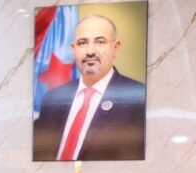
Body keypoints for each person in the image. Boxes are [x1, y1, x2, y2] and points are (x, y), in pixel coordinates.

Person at [33, 15, 146, 161]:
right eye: (82, 43)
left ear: (115, 48)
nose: (90, 51)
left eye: (100, 42)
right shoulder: (53, 98)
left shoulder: (138, 98)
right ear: (73, 50)